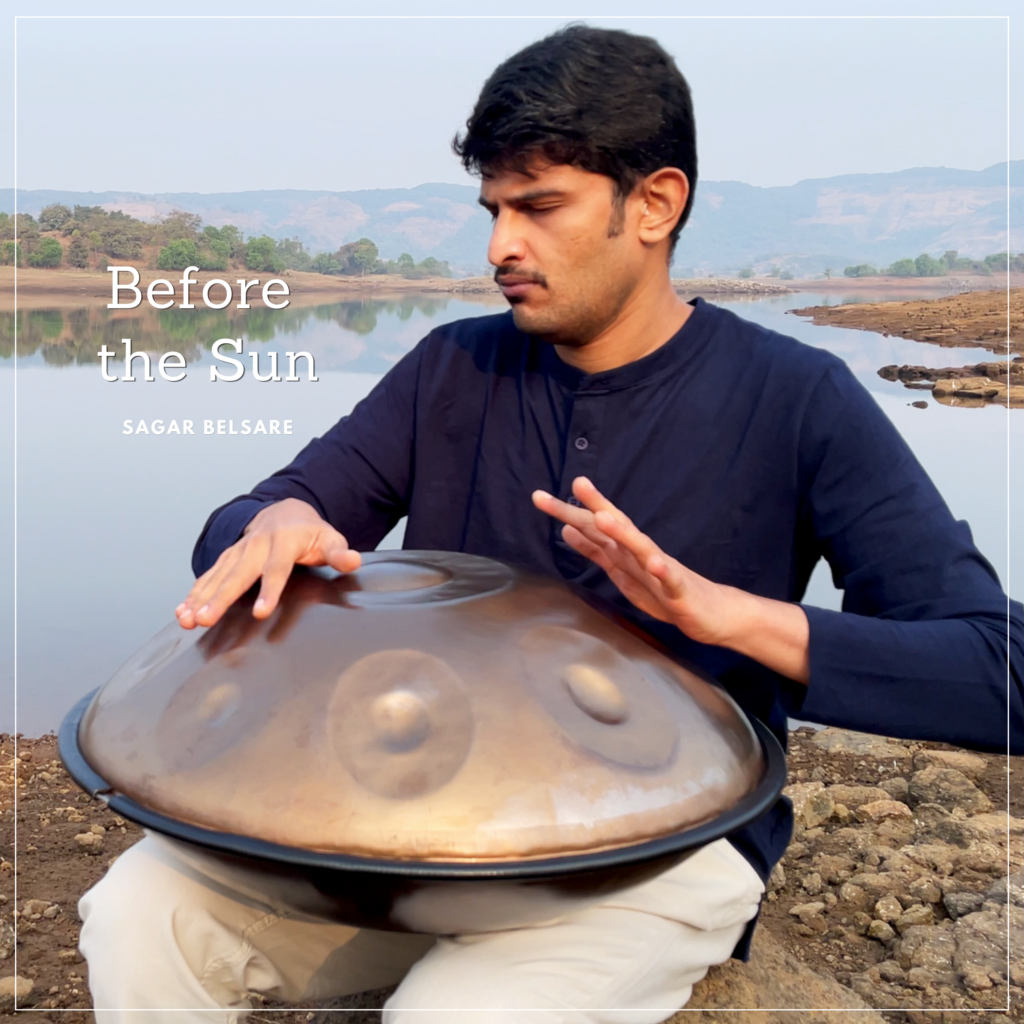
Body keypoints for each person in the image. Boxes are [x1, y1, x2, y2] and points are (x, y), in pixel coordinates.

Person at [78, 24, 1023, 1024]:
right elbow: (273, 510)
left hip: (655, 856)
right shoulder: (455, 368)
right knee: (139, 914)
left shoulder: (797, 397)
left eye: (538, 207)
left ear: (654, 203)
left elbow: (996, 668)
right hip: (419, 838)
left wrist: (724, 617)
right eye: (492, 209)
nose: (499, 248)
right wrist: (276, 521)